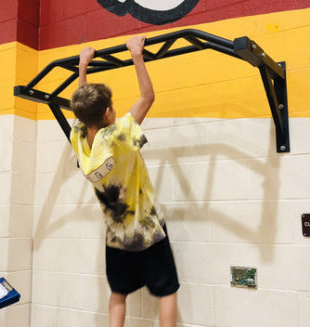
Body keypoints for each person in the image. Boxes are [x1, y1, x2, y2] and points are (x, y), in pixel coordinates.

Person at [70, 35, 179, 327]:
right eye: (112, 106)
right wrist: (136, 55)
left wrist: (83, 68)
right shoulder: (117, 136)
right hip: (145, 230)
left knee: (119, 293)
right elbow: (147, 98)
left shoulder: (79, 138)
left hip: (116, 235)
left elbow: (83, 110)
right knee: (167, 291)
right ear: (107, 112)